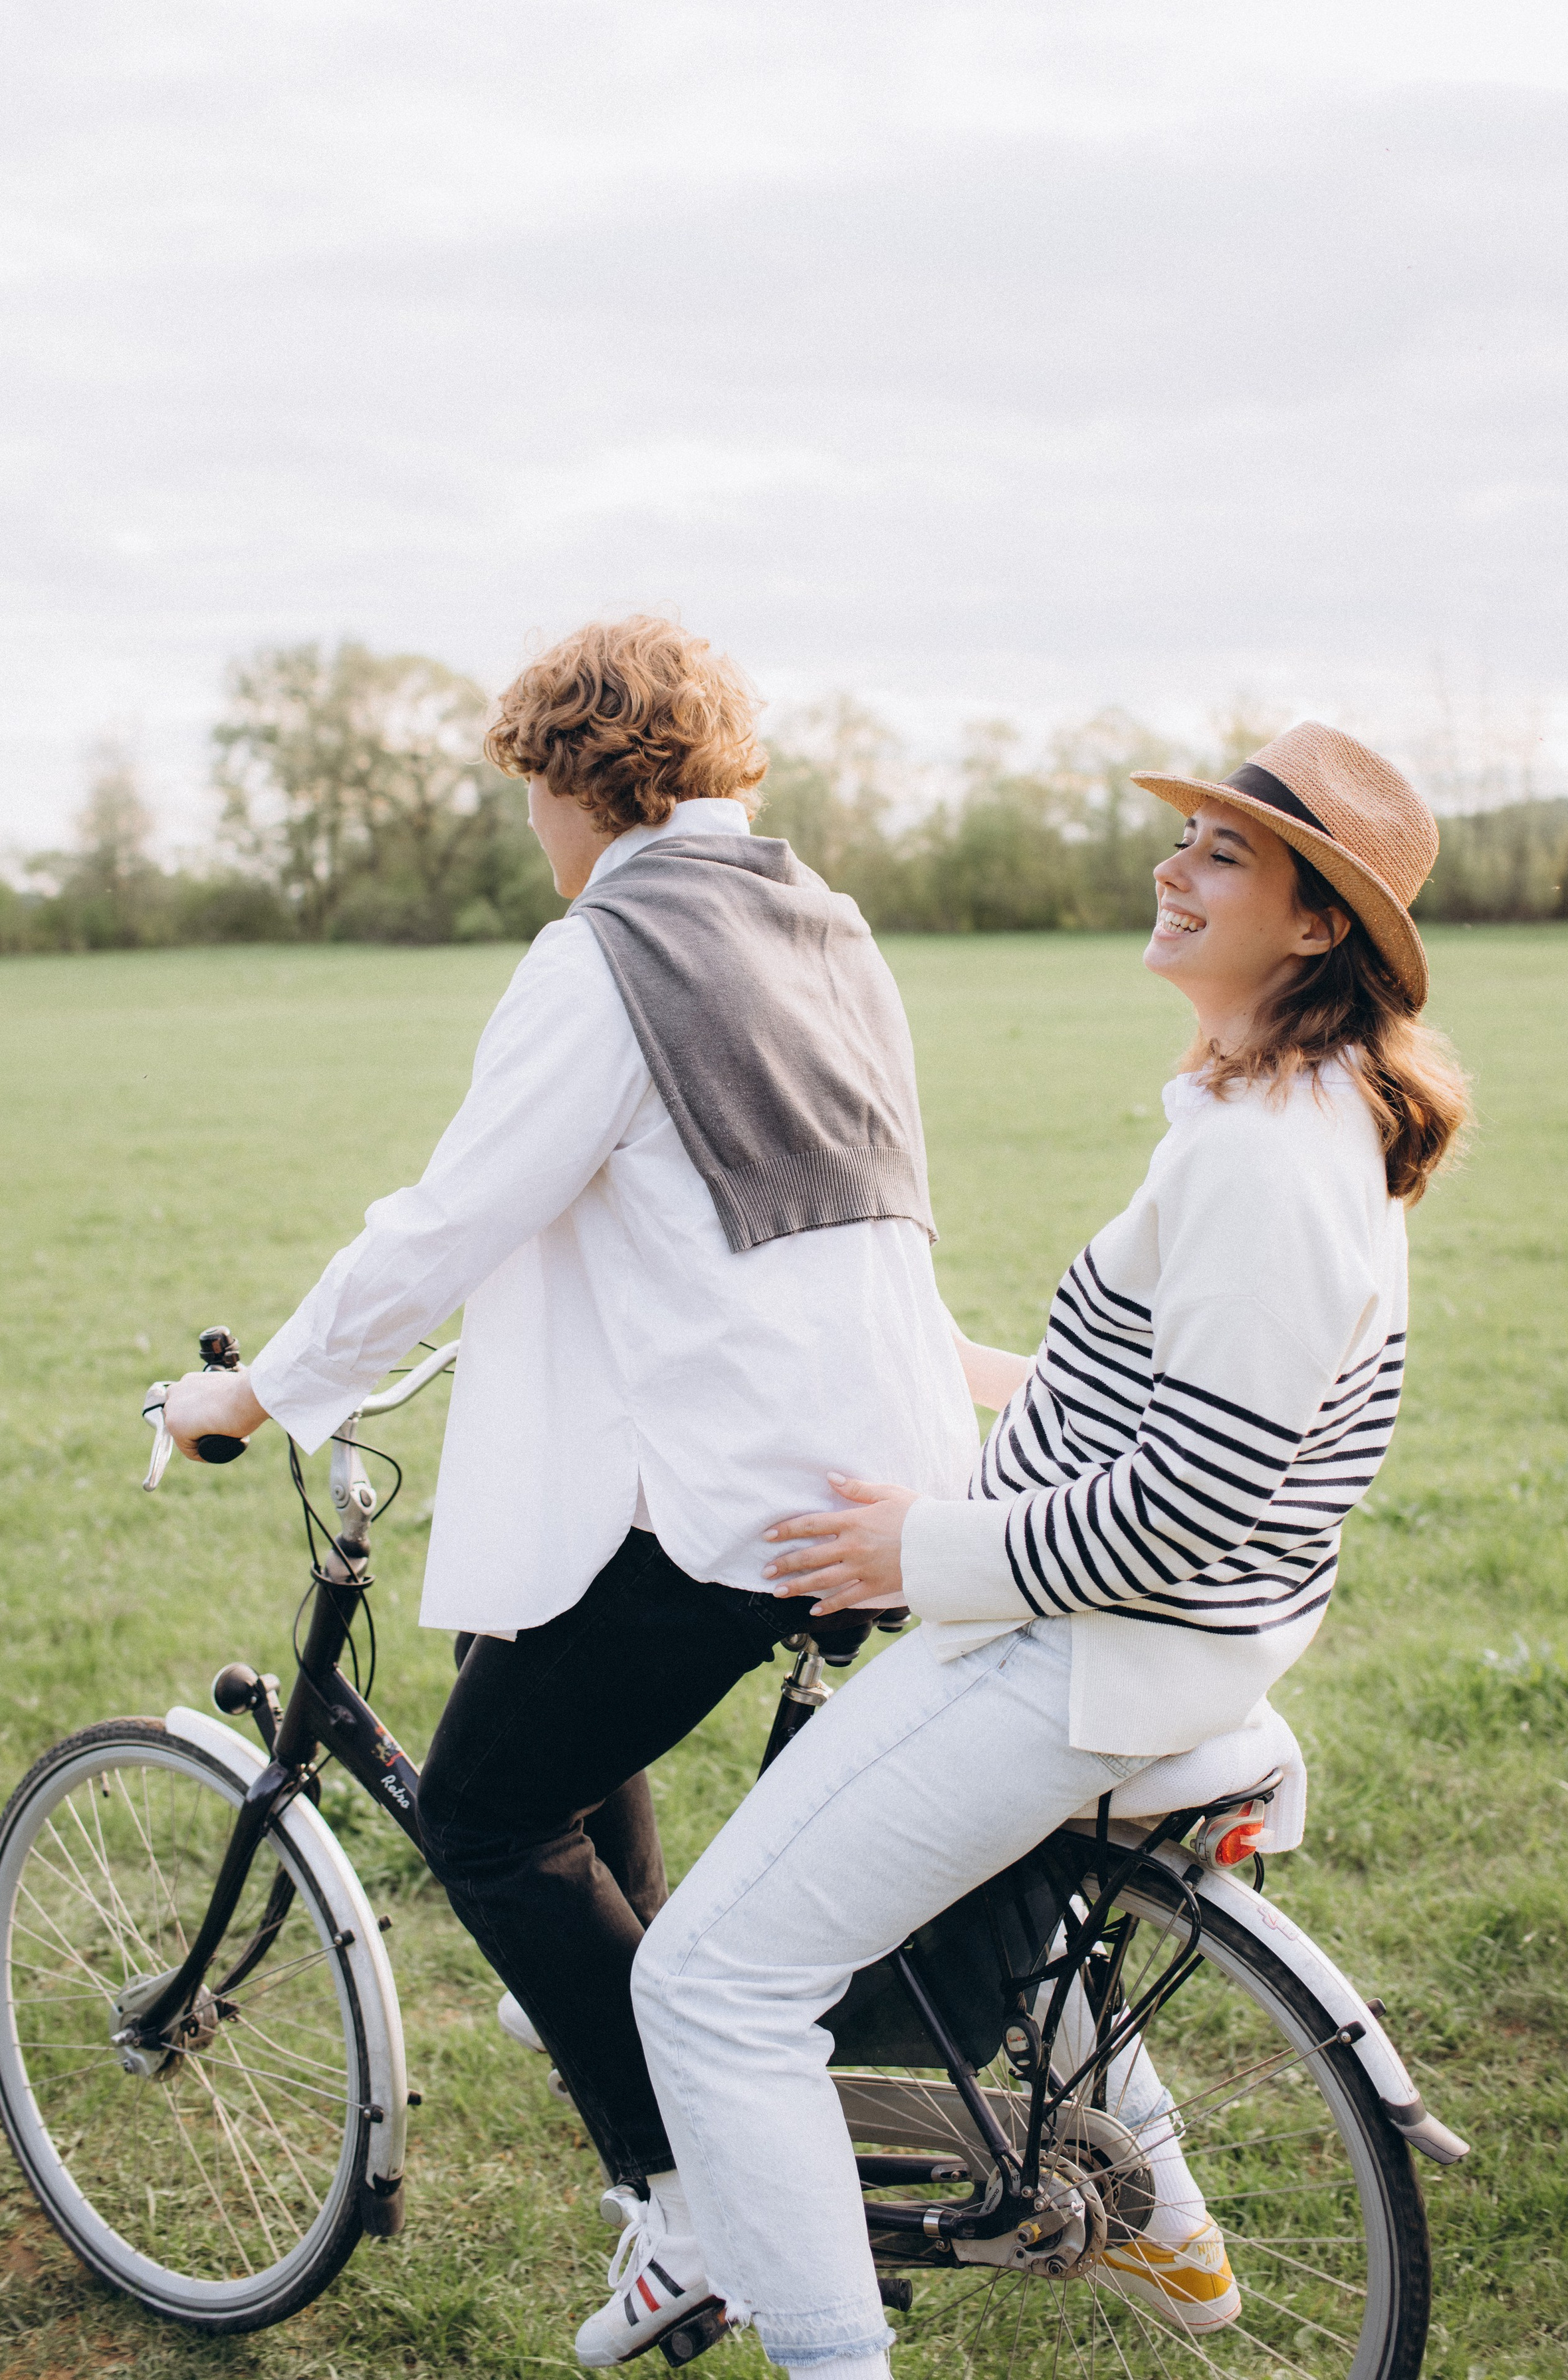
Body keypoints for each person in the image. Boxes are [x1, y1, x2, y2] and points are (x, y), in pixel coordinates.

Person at [159, 615, 980, 2364]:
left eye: (531, 791)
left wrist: (254, 1392)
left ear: (574, 781)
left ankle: (691, 2202)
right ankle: (654, 2046)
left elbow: (453, 1221)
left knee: (482, 1816)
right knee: (534, 1683)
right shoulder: (816, 919)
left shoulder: (606, 952)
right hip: (876, 1445)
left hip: (755, 1486)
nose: (531, 829)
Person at [630, 723, 1472, 2375]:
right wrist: (914, 1359)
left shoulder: (1263, 1157)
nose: (1170, 869)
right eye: (1183, 841)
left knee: (708, 1986)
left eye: (1220, 855)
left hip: (1082, 1656)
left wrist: (909, 1553)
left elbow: (1184, 1504)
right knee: (970, 1920)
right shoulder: (1287, 1114)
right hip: (1157, 1644)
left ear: (1316, 928)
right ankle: (1170, 2236)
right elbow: (1169, 1405)